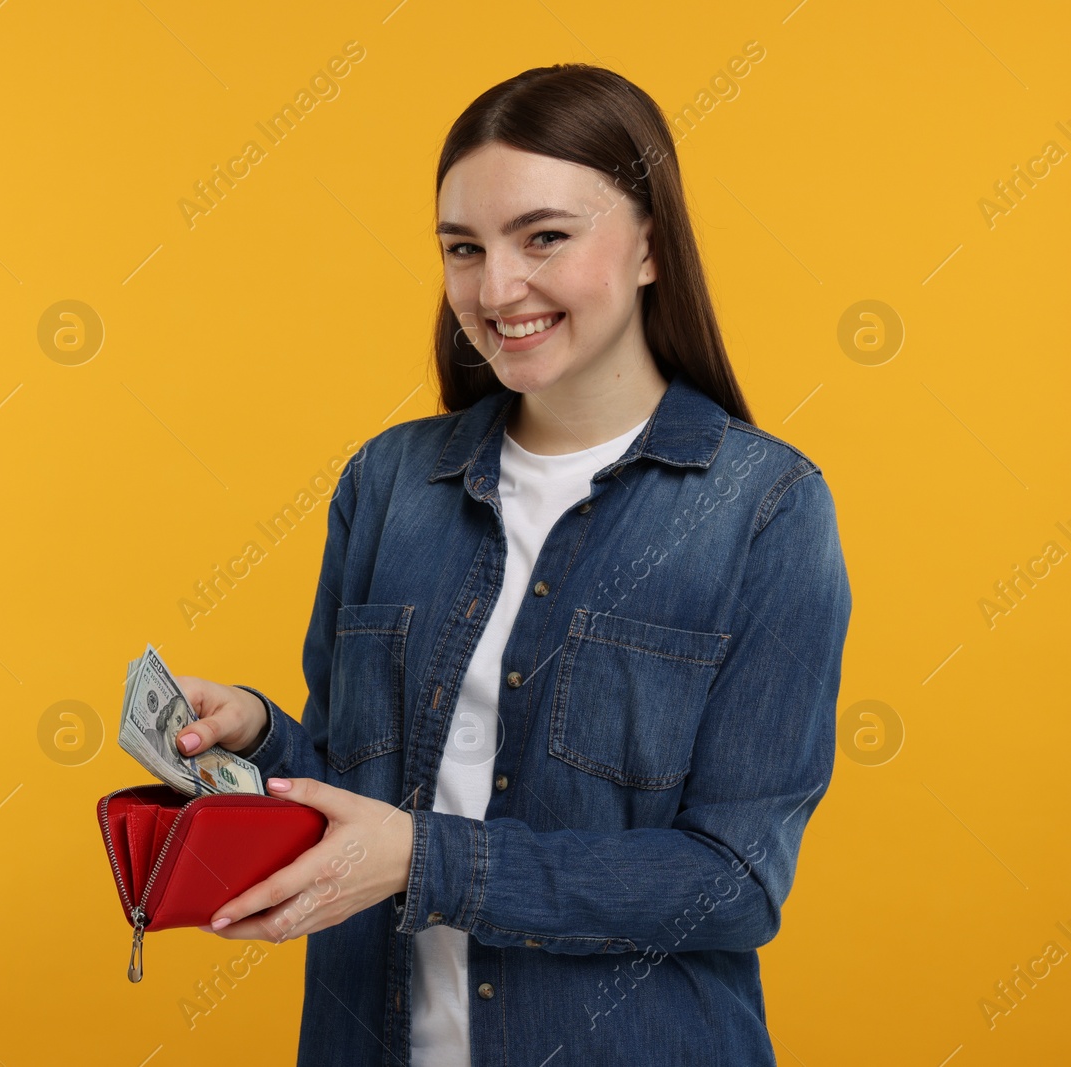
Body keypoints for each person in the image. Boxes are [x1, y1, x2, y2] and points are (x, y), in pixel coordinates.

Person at [171, 62, 851, 1067]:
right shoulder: (387, 483)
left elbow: (732, 881)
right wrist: (264, 738)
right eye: (462, 248)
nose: (495, 291)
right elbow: (358, 796)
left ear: (651, 243)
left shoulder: (763, 508)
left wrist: (427, 859)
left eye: (544, 237)